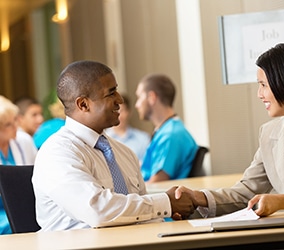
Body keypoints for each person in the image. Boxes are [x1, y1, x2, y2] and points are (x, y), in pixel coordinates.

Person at [173, 43, 284, 219]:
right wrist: (199, 198)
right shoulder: (269, 133)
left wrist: (283, 201)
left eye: (263, 85)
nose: (259, 94)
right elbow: (247, 191)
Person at [31, 60, 194, 232]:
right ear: (83, 104)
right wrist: (166, 203)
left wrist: (163, 215)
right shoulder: (57, 153)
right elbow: (98, 211)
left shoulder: (124, 152)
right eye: (111, 93)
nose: (120, 100)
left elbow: (141, 211)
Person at [135, 73, 198, 183]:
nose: (137, 104)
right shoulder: (165, 130)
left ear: (152, 97)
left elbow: (157, 183)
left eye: (139, 97)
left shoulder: (170, 136)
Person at [0, 95, 38, 235]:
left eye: (15, 120)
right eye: (8, 124)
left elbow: (38, 174)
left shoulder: (24, 141)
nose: (16, 126)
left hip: (25, 206)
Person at [105, 94, 150, 164]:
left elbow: (147, 166)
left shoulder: (143, 138)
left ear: (129, 112)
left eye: (122, 110)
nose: (119, 115)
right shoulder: (103, 140)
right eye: (115, 111)